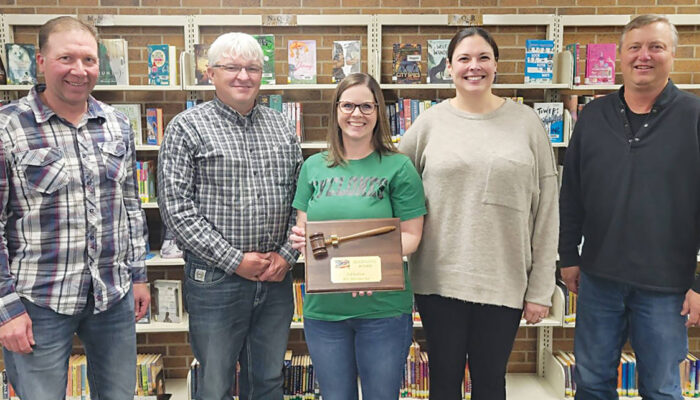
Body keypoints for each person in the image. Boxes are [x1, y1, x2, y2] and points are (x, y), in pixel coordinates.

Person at [399, 27, 558, 400]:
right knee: (443, 383)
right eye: (464, 59)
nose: (474, 66)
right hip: (438, 280)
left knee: (490, 383)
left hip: (503, 280)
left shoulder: (527, 123)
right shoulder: (428, 124)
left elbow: (547, 208)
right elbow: (391, 187)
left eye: (483, 57)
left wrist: (541, 289)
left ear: (496, 65)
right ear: (449, 67)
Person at [0, 16, 150, 400]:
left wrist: (137, 275)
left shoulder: (117, 123)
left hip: (111, 296)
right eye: (66, 58)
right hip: (39, 300)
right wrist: (6, 308)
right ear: (41, 61)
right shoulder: (8, 128)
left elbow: (130, 206)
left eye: (89, 60)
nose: (79, 70)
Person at [559, 14, 700, 400]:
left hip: (666, 287)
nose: (644, 56)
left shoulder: (694, 117)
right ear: (621, 56)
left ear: (673, 54)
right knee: (590, 383)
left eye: (656, 47)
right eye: (635, 47)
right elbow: (571, 192)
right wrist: (568, 255)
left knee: (660, 388)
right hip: (599, 280)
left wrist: (698, 285)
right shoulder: (593, 117)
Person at [157, 32, 302, 400]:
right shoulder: (186, 127)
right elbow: (176, 210)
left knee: (268, 381)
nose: (243, 76)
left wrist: (286, 255)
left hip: (275, 279)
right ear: (210, 73)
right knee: (216, 384)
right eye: (232, 67)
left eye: (252, 68)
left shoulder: (282, 126)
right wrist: (236, 261)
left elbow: (302, 198)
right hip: (215, 282)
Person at [289, 72, 426, 400]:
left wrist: (371, 270)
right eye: (348, 105)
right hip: (325, 311)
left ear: (379, 112)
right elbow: (305, 232)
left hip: (382, 310)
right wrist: (301, 243)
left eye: (367, 106)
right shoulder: (313, 167)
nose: (357, 114)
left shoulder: (399, 167)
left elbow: (411, 236)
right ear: (336, 110)